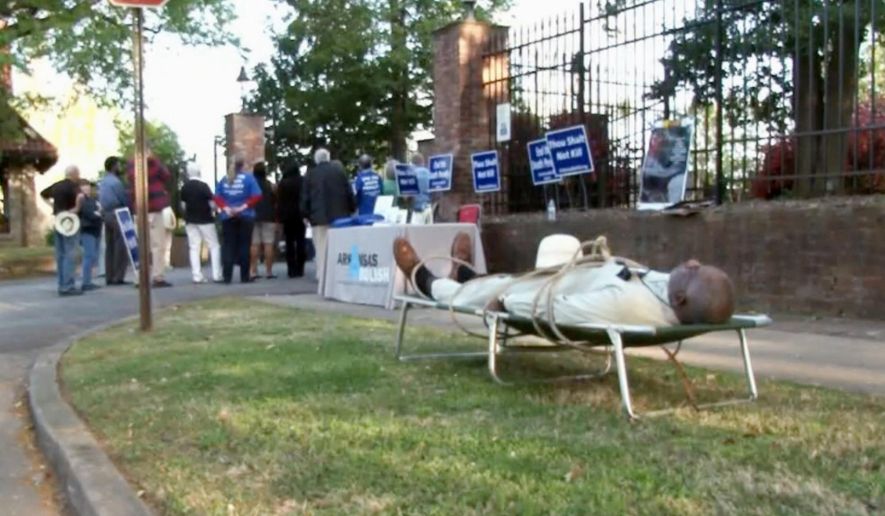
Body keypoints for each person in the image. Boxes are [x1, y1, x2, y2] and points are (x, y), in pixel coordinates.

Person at [392, 234, 736, 327]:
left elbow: (559, 310)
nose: (691, 262)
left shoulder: (630, 305)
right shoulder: (670, 291)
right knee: (508, 278)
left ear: (681, 300)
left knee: (478, 294)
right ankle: (467, 274)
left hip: (545, 290)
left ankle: (425, 280)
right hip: (564, 276)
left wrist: (508, 303)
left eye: (695, 270)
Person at [300, 148, 355, 283]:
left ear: (316, 160)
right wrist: (352, 209)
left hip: (318, 217)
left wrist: (305, 214)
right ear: (328, 158)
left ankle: (322, 274)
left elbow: (305, 196)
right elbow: (349, 192)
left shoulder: (310, 174)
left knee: (321, 247)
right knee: (339, 246)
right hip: (340, 216)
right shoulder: (339, 172)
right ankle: (339, 272)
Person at [127, 154, 173, 288]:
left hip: (139, 208)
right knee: (158, 244)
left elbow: (130, 178)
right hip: (155, 206)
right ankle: (158, 276)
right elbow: (166, 175)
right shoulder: (154, 163)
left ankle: (140, 277)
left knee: (142, 245)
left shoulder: (132, 164)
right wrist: (154, 160)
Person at [215, 156, 262, 284]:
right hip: (246, 216)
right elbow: (257, 195)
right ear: (243, 165)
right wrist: (243, 207)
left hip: (228, 216)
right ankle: (244, 276)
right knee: (245, 245)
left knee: (228, 246)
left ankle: (227, 277)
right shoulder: (249, 178)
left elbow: (217, 197)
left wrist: (226, 208)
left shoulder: (224, 179)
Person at [40, 165, 84, 296]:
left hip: (58, 219)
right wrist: (76, 208)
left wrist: (52, 206)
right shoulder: (74, 187)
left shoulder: (57, 186)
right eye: (78, 174)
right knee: (70, 253)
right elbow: (80, 198)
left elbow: (43, 194)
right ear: (74, 174)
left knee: (60, 253)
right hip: (70, 221)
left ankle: (61, 284)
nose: (78, 176)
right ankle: (68, 286)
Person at [180, 163, 222, 284]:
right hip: (205, 219)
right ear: (199, 172)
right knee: (214, 246)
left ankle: (196, 275)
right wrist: (215, 211)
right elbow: (212, 204)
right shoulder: (204, 186)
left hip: (190, 220)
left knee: (194, 247)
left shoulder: (185, 187)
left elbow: (183, 205)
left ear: (188, 173)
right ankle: (216, 274)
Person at [98, 156, 130, 286]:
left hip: (106, 214)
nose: (120, 167)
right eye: (118, 165)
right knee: (120, 245)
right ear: (114, 166)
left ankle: (109, 276)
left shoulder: (103, 182)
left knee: (110, 246)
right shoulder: (116, 182)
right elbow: (123, 199)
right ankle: (118, 277)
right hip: (117, 213)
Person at [277, 161, 306, 278]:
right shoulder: (302, 181)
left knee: (289, 242)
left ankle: (291, 268)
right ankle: (300, 267)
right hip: (300, 214)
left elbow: (280, 201)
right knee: (300, 241)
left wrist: (280, 216)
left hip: (287, 215)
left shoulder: (283, 183)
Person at [250, 162, 278, 280]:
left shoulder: (251, 185)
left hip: (253, 216)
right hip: (269, 217)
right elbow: (275, 201)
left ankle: (253, 271)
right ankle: (269, 271)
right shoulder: (270, 185)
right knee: (268, 244)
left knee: (254, 244)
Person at [78, 180, 103, 291]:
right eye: (84, 187)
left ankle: (88, 280)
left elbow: (99, 211)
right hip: (87, 230)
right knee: (89, 255)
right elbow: (89, 214)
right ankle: (86, 282)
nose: (87, 189)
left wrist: (98, 213)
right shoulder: (82, 200)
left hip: (95, 230)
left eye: (88, 187)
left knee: (93, 256)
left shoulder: (93, 200)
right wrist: (98, 214)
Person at [409, 153, 432, 223]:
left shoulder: (411, 175)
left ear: (412, 163)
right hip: (429, 207)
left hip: (417, 210)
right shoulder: (430, 173)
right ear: (423, 162)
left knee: (417, 230)